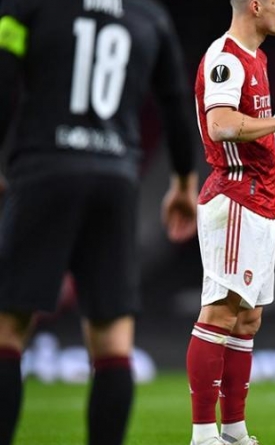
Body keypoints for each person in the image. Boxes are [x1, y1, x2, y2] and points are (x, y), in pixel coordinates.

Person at [0, 0, 199, 443]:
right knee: (112, 340)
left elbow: (4, 77)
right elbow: (174, 101)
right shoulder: (149, 15)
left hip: (43, 169)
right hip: (115, 179)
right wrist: (184, 182)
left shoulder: (27, 7)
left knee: (8, 328)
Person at [187, 1, 275, 445]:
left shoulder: (257, 56)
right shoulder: (226, 58)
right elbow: (220, 124)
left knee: (247, 319)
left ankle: (234, 432)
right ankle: (203, 435)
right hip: (236, 194)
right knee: (220, 311)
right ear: (256, 5)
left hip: (262, 199)